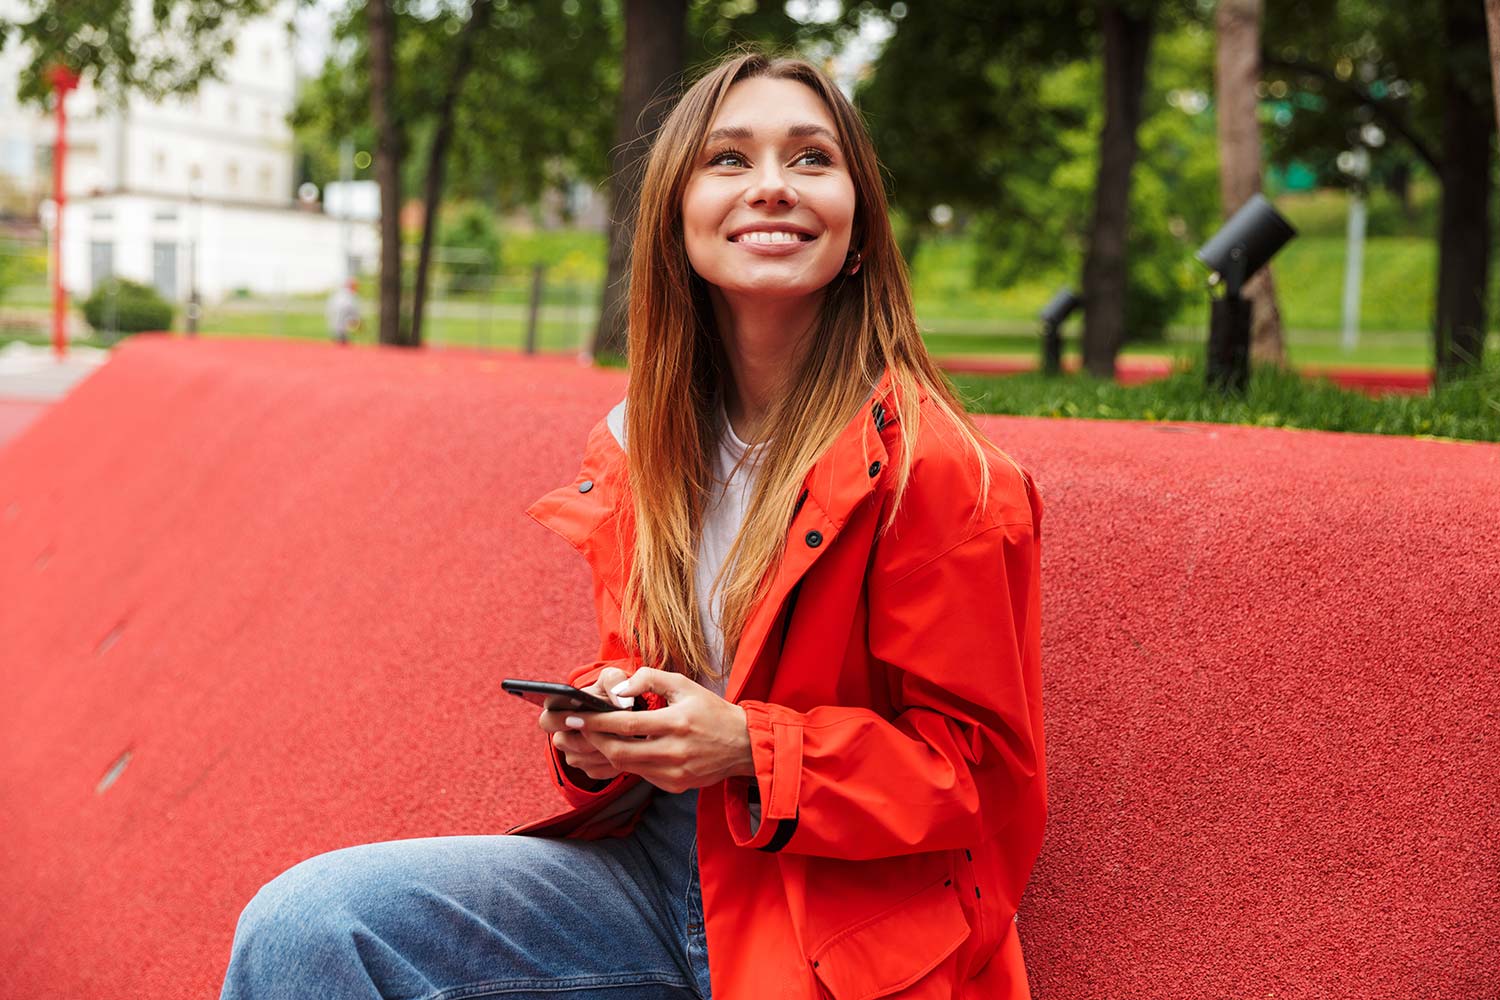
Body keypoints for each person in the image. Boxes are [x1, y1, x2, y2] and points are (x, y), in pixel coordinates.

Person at [220, 50, 1046, 1000]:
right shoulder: (639, 448)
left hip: (839, 930)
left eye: (812, 159)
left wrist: (745, 747)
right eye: (729, 160)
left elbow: (976, 781)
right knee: (310, 928)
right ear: (676, 219)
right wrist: (604, 727)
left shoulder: (938, 473)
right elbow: (650, 674)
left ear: (858, 231)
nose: (772, 186)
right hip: (651, 878)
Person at [325, 277, 360, 345]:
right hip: (343, 329)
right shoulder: (350, 297)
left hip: (333, 327)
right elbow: (353, 313)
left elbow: (329, 310)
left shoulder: (337, 296)